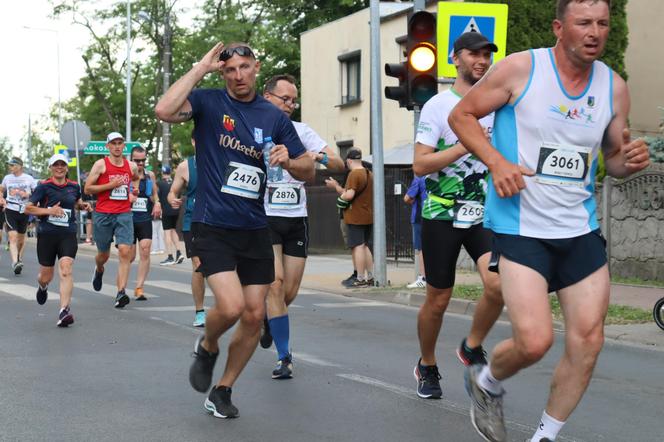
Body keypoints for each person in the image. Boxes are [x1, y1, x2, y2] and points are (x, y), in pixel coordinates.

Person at [448, 1, 651, 441]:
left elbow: (613, 160)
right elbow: (460, 115)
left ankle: (545, 436)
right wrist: (497, 162)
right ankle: (486, 383)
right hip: (521, 227)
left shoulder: (614, 87)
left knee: (589, 341)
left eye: (602, 23)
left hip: (579, 228)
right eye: (584, 23)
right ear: (560, 27)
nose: (595, 32)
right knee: (535, 341)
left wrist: (627, 160)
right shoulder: (520, 70)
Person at [155, 41, 314, 418]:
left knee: (255, 316)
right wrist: (200, 68)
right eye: (229, 70)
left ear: (256, 67)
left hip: (255, 227)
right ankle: (208, 344)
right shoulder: (208, 102)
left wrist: (289, 161)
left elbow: (309, 168)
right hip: (213, 225)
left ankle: (222, 389)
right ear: (222, 73)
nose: (238, 76)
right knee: (231, 306)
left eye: (244, 67)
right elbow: (164, 109)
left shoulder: (272, 116)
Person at [411, 31, 504, 401]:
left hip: (485, 211)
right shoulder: (438, 106)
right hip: (442, 213)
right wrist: (466, 142)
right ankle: (427, 364)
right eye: (474, 54)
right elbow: (420, 164)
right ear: (456, 58)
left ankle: (471, 345)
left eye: (487, 55)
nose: (481, 61)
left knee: (497, 285)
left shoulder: (499, 106)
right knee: (438, 299)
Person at [259, 74, 344, 379]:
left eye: (294, 100)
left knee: (289, 292)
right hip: (263, 218)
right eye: (286, 99)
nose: (291, 106)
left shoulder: (300, 132)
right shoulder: (254, 129)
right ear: (268, 97)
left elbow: (338, 164)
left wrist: (316, 156)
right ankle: (284, 357)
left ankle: (270, 321)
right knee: (275, 284)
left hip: (295, 219)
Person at [25, 153, 92, 326]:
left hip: (68, 234)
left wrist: (82, 205)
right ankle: (42, 286)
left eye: (62, 164)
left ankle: (64, 310)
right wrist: (49, 211)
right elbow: (28, 208)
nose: (60, 167)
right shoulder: (43, 187)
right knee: (46, 275)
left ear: (66, 167)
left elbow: (76, 202)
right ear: (51, 168)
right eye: (56, 165)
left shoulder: (74, 186)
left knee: (66, 269)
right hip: (47, 235)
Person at [84, 132, 140, 309]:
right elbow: (87, 188)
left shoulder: (131, 166)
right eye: (113, 143)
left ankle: (121, 292)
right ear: (107, 146)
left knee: (125, 251)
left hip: (124, 213)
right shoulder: (100, 165)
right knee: (104, 255)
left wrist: (133, 192)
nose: (117, 146)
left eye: (120, 143)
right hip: (103, 213)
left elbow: (136, 179)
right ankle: (99, 269)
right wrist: (110, 185)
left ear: (124, 146)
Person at [168, 133, 208, 327]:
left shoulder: (223, 161)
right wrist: (172, 199)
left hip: (220, 221)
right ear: (193, 141)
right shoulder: (185, 166)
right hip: (194, 222)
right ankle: (200, 312)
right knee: (198, 266)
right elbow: (173, 191)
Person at [325, 148, 373, 287]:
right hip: (368, 215)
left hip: (355, 216)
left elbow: (350, 194)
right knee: (365, 246)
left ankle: (359, 278)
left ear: (349, 161)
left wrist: (340, 200)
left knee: (357, 246)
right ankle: (370, 276)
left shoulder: (354, 174)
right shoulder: (369, 174)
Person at [128, 146, 162, 301]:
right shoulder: (125, 174)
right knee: (129, 256)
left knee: (145, 250)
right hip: (127, 219)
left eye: (143, 160)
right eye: (137, 160)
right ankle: (121, 286)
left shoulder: (150, 175)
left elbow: (154, 194)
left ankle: (139, 287)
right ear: (131, 159)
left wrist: (157, 203)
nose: (140, 163)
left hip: (144, 219)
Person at [0, 157, 38, 275]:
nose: (10, 167)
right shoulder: (7, 178)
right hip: (11, 209)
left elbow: (37, 192)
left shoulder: (29, 178)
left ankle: (19, 258)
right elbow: (1, 190)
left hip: (24, 210)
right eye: (9, 165)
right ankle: (15, 262)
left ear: (20, 166)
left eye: (12, 165)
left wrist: (27, 194)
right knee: (13, 237)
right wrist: (1, 199)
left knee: (21, 239)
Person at [403, 175, 427, 288]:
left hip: (420, 216)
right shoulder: (439, 175)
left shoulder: (419, 179)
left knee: (422, 248)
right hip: (436, 216)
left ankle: (423, 278)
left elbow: (407, 198)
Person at [157, 166, 183, 265]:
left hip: (166, 211)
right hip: (175, 210)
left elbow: (157, 197)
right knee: (173, 230)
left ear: (162, 173)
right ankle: (179, 252)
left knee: (167, 233)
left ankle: (170, 256)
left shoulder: (159, 184)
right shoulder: (174, 183)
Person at [81, 170, 96, 245]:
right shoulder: (83, 188)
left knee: (97, 221)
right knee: (89, 220)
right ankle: (88, 237)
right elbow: (82, 200)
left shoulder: (96, 186)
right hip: (89, 206)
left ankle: (94, 237)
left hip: (97, 206)